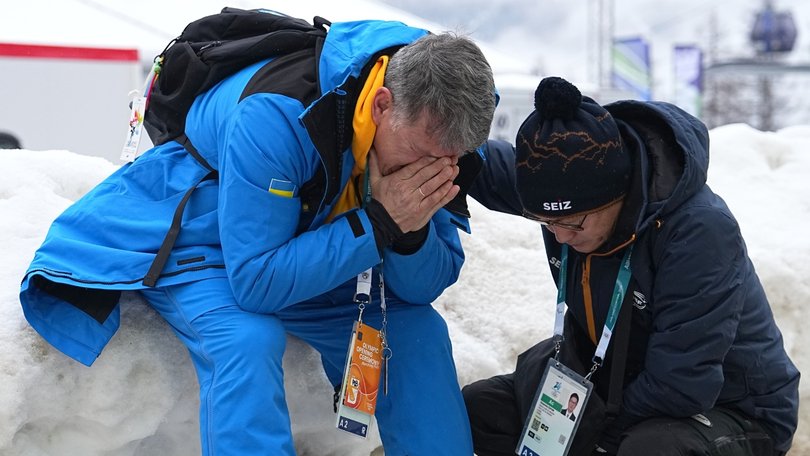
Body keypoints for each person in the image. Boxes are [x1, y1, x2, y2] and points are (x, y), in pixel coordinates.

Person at [19, 15, 496, 455]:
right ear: (382, 105)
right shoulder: (278, 113)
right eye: (419, 154)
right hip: (207, 238)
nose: (431, 171)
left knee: (416, 334)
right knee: (247, 340)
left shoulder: (441, 135)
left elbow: (423, 288)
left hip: (314, 243)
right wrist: (379, 223)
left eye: (449, 160)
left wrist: (409, 232)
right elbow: (256, 282)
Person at [464, 76, 799, 456]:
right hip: (614, 378)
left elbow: (682, 383)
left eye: (574, 223)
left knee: (649, 449)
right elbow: (474, 161)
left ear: (618, 195)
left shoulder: (699, 231)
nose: (561, 236)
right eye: (546, 221)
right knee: (483, 409)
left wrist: (591, 435)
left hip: (730, 407)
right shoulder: (558, 188)